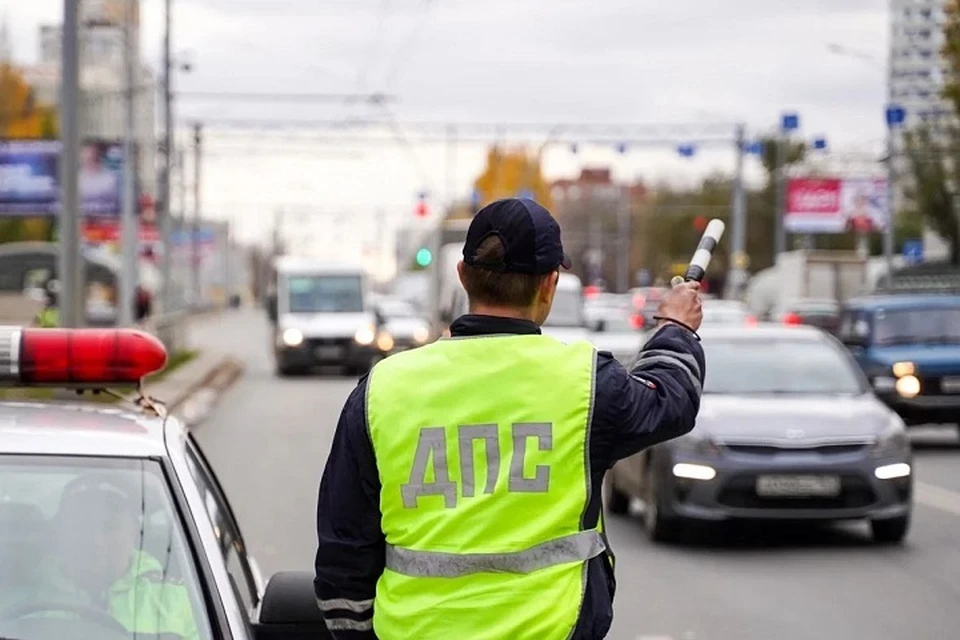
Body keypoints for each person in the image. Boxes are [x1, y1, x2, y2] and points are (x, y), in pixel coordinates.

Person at [314, 197, 705, 640]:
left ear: (462, 276)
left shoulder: (382, 389)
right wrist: (677, 328)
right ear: (549, 286)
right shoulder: (586, 384)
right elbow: (671, 401)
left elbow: (343, 552)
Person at [0, 478, 201, 639]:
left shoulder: (182, 605)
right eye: (82, 525)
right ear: (59, 533)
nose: (96, 541)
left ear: (133, 533)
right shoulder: (11, 604)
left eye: (109, 527)